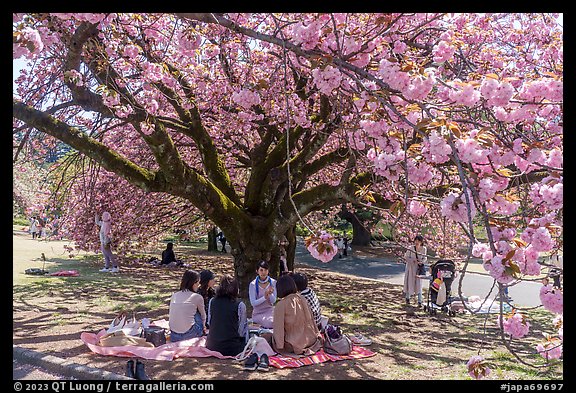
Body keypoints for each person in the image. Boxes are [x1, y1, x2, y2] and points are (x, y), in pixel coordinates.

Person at [271, 274, 322, 356]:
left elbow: (278, 330)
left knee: (269, 338)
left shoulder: (281, 305)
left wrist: (279, 346)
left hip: (294, 345)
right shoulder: (302, 298)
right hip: (311, 340)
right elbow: (311, 320)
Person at [205, 275, 249, 356]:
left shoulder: (212, 301)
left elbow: (210, 322)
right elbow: (241, 331)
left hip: (212, 346)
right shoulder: (239, 305)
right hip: (233, 348)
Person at [169, 270, 207, 342]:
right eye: (198, 283)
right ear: (194, 283)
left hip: (174, 335)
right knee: (197, 314)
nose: (199, 285)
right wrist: (204, 327)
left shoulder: (174, 295)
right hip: (189, 333)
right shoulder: (197, 297)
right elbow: (203, 316)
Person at [248, 261, 277, 329]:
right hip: (258, 314)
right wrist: (264, 297)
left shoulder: (273, 282)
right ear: (257, 271)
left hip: (270, 311)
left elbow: (273, 301)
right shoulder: (253, 284)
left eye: (265, 270)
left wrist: (270, 294)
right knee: (272, 323)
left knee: (280, 321)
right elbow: (253, 303)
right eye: (261, 270)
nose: (263, 272)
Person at [403, 235, 427, 307]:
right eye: (416, 240)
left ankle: (420, 301)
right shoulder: (411, 248)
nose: (417, 242)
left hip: (418, 268)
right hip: (411, 268)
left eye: (419, 241)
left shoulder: (424, 249)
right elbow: (406, 257)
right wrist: (413, 260)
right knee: (409, 282)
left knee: (419, 284)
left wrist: (421, 262)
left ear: (421, 242)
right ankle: (407, 298)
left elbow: (425, 258)